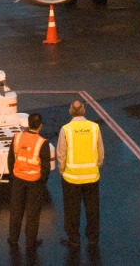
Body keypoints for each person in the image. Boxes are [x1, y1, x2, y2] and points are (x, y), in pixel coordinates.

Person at [57, 100, 104, 249]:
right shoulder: (94, 127)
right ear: (84, 110)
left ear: (71, 111)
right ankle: (92, 238)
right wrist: (97, 165)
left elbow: (61, 154)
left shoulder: (66, 129)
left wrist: (62, 170)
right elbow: (100, 151)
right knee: (92, 209)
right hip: (91, 176)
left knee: (72, 210)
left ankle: (74, 239)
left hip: (71, 178)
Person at [7, 113, 51, 251]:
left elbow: (10, 160)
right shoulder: (42, 143)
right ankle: (30, 242)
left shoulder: (17, 137)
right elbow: (46, 167)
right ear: (40, 126)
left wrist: (14, 175)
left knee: (16, 210)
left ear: (28, 123)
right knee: (33, 213)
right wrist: (42, 182)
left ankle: (13, 238)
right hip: (34, 182)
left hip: (18, 180)